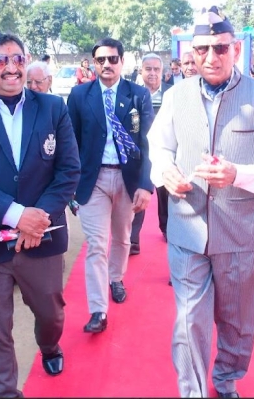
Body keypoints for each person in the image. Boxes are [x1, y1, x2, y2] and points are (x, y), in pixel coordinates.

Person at [147, 6, 254, 398]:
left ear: (236, 50)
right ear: (191, 52)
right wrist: (165, 172)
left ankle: (227, 378)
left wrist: (238, 175)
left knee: (237, 320)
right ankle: (193, 391)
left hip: (241, 232)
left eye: (220, 48)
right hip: (187, 227)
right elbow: (159, 147)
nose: (210, 57)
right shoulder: (176, 96)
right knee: (188, 321)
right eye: (202, 49)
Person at [0, 32, 81, 397]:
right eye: (1, 60)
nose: (11, 68)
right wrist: (18, 215)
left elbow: (69, 170)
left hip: (43, 239)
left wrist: (36, 220)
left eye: (18, 59)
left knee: (51, 315)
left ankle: (49, 346)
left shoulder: (53, 108)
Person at [67, 37, 154, 334]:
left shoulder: (138, 95)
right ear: (94, 63)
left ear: (122, 61)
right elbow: (71, 142)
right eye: (101, 60)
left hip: (128, 179)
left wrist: (145, 184)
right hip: (93, 180)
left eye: (112, 59)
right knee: (95, 243)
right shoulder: (79, 95)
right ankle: (98, 310)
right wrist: (71, 185)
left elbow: (149, 143)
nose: (107, 64)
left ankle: (116, 278)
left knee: (122, 238)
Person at [129, 52, 170, 255]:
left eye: (156, 69)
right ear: (141, 71)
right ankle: (132, 240)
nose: (152, 73)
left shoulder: (172, 93)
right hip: (140, 152)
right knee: (138, 194)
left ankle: (167, 228)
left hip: (165, 151)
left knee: (165, 193)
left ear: (162, 72)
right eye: (148, 69)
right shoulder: (131, 93)